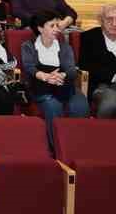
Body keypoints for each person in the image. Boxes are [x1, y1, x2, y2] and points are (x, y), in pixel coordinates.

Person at [20, 11, 89, 147]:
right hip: (40, 86)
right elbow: (29, 68)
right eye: (52, 26)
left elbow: (71, 69)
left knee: (80, 105)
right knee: (53, 106)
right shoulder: (28, 46)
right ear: (40, 28)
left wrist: (61, 75)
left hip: (63, 84)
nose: (57, 29)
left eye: (57, 25)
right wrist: (46, 77)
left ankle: (78, 145)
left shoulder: (64, 47)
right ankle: (57, 147)